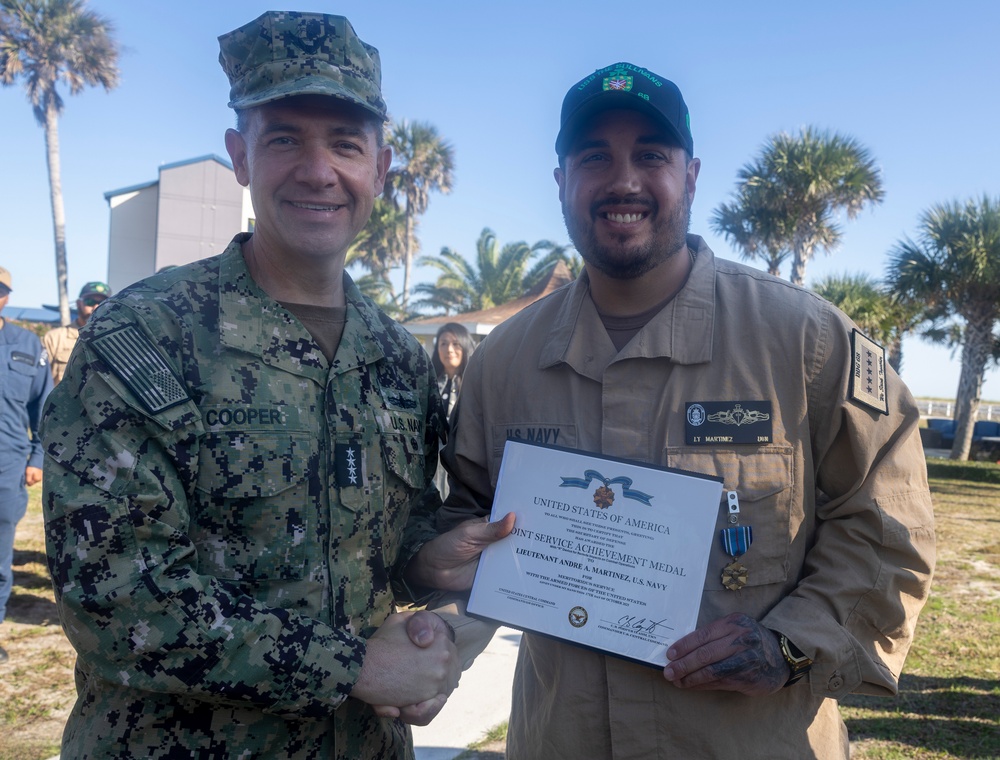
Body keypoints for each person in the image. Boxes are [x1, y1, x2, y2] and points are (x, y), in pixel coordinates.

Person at [436, 62, 936, 758]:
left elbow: (888, 518)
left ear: (691, 175)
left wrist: (793, 643)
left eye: (651, 154)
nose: (624, 180)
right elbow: (461, 520)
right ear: (562, 181)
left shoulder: (803, 339)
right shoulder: (505, 363)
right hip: (562, 737)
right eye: (594, 157)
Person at [40, 11, 505, 759]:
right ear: (240, 155)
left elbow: (390, 529)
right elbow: (111, 595)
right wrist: (351, 665)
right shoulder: (147, 336)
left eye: (346, 144)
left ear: (380, 169)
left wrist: (428, 558)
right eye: (285, 136)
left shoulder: (395, 357)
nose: (318, 171)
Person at [0, 266, 53, 664]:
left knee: (1, 553)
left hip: (7, 465)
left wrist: (37, 458)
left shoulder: (26, 344)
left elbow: (43, 408)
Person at [430, 323, 475, 497]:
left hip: (464, 463)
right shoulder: (428, 383)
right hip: (433, 463)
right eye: (443, 343)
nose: (449, 349)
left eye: (455, 343)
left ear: (465, 345)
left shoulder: (475, 385)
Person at [41, 280, 111, 384]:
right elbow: (40, 381)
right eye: (90, 302)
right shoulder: (54, 338)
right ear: (79, 303)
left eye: (102, 303)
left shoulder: (114, 339)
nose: (96, 307)